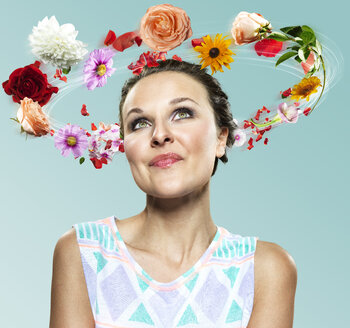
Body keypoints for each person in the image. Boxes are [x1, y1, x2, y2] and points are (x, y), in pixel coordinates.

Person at [49, 59, 297, 328]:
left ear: (221, 139)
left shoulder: (263, 269)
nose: (160, 135)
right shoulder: (84, 251)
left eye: (182, 114)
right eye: (140, 123)